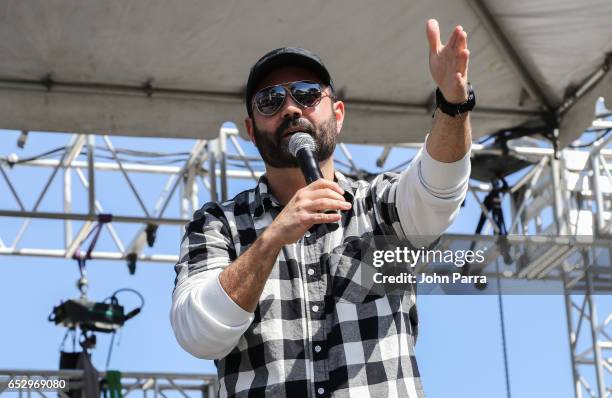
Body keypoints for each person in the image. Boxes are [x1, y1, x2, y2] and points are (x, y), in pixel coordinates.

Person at [171, 19, 473, 398]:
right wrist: (271, 239)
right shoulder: (219, 225)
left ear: (339, 113)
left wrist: (453, 104)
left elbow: (438, 192)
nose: (291, 109)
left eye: (307, 94)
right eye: (270, 100)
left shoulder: (376, 206)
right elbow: (198, 333)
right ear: (251, 129)